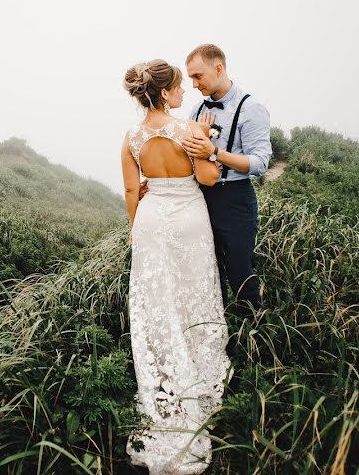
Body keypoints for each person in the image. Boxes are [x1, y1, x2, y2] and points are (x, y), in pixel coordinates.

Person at [121, 59, 231, 475]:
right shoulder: (190, 130)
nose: (184, 93)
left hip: (151, 221)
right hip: (188, 219)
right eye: (180, 87)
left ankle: (165, 377)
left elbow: (132, 188)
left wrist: (136, 227)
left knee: (156, 300)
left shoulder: (130, 137)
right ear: (165, 92)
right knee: (195, 293)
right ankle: (198, 370)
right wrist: (208, 152)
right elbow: (206, 178)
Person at [180, 43, 272, 313]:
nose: (194, 84)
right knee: (208, 269)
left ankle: (253, 334)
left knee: (239, 271)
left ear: (218, 68)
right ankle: (217, 328)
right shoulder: (195, 112)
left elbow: (260, 163)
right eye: (191, 78)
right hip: (199, 198)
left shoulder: (251, 108)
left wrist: (215, 152)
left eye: (198, 76)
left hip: (235, 199)